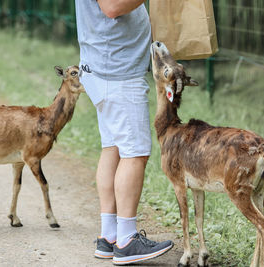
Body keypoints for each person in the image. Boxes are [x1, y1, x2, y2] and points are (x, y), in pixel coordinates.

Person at [75, 0, 174, 265]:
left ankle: (109, 236)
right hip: (117, 72)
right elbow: (112, 6)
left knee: (114, 148)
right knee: (135, 153)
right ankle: (127, 239)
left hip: (103, 66)